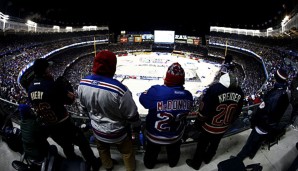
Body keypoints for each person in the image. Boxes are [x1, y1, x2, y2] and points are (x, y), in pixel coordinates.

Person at [27, 58, 100, 171]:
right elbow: (71, 100)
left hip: (49, 126)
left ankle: (73, 162)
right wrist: (65, 88)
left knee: (66, 145)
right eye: (48, 68)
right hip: (64, 123)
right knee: (82, 142)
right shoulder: (51, 85)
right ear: (44, 71)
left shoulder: (30, 87)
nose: (50, 71)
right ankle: (93, 164)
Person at [77, 50, 141, 171]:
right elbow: (132, 114)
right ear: (113, 66)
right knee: (127, 152)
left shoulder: (83, 83)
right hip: (118, 132)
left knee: (102, 150)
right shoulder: (120, 89)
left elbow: (83, 108)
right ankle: (130, 169)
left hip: (97, 129)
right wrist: (137, 126)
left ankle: (108, 167)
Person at [139, 62, 193, 169]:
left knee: (151, 154)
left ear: (166, 78)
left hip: (155, 135)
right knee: (174, 153)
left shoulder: (156, 91)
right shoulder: (188, 95)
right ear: (182, 80)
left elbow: (142, 100)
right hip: (175, 136)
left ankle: (149, 165)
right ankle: (173, 163)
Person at [186, 72, 244, 170]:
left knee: (202, 145)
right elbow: (237, 112)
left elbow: (204, 109)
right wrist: (229, 122)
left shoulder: (215, 89)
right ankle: (208, 159)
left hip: (209, 126)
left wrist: (198, 123)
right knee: (214, 144)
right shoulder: (240, 92)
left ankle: (196, 164)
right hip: (223, 126)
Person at [235, 68, 289, 161]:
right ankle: (252, 154)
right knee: (259, 141)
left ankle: (239, 159)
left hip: (263, 123)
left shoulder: (275, 95)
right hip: (271, 124)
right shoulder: (285, 93)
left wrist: (254, 121)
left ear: (276, 78)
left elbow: (263, 111)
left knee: (251, 141)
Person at [19, 103, 49, 169]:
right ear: (29, 112)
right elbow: (42, 128)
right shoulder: (33, 123)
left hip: (26, 149)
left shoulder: (22, 122)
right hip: (36, 151)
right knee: (51, 148)